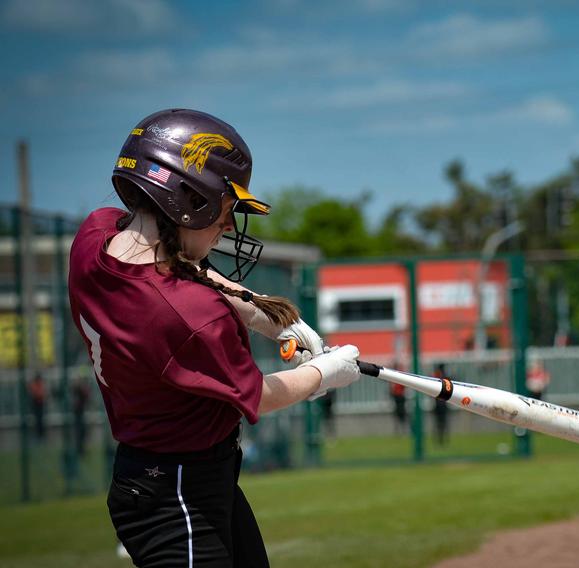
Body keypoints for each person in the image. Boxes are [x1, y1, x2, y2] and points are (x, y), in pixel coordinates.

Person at [69, 108, 362, 567]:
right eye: (224, 209)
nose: (228, 225)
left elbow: (182, 270)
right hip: (177, 493)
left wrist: (263, 311)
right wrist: (324, 373)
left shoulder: (95, 235)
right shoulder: (190, 317)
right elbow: (259, 395)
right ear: (188, 199)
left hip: (175, 477)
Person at [71, 372, 91, 457]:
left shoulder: (81, 390)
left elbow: (87, 396)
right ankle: (79, 451)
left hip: (81, 414)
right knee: (79, 432)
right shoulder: (75, 390)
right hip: (78, 414)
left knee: (82, 432)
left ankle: (81, 450)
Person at [431, 363, 450, 445]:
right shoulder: (445, 378)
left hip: (438, 404)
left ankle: (440, 439)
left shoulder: (437, 378)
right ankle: (441, 439)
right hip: (442, 404)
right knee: (442, 423)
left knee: (439, 423)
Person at [28, 373, 47, 440]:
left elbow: (41, 394)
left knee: (40, 421)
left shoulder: (40, 385)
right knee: (37, 421)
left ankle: (41, 435)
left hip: (40, 405)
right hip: (36, 404)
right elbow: (35, 393)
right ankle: (38, 435)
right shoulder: (34, 385)